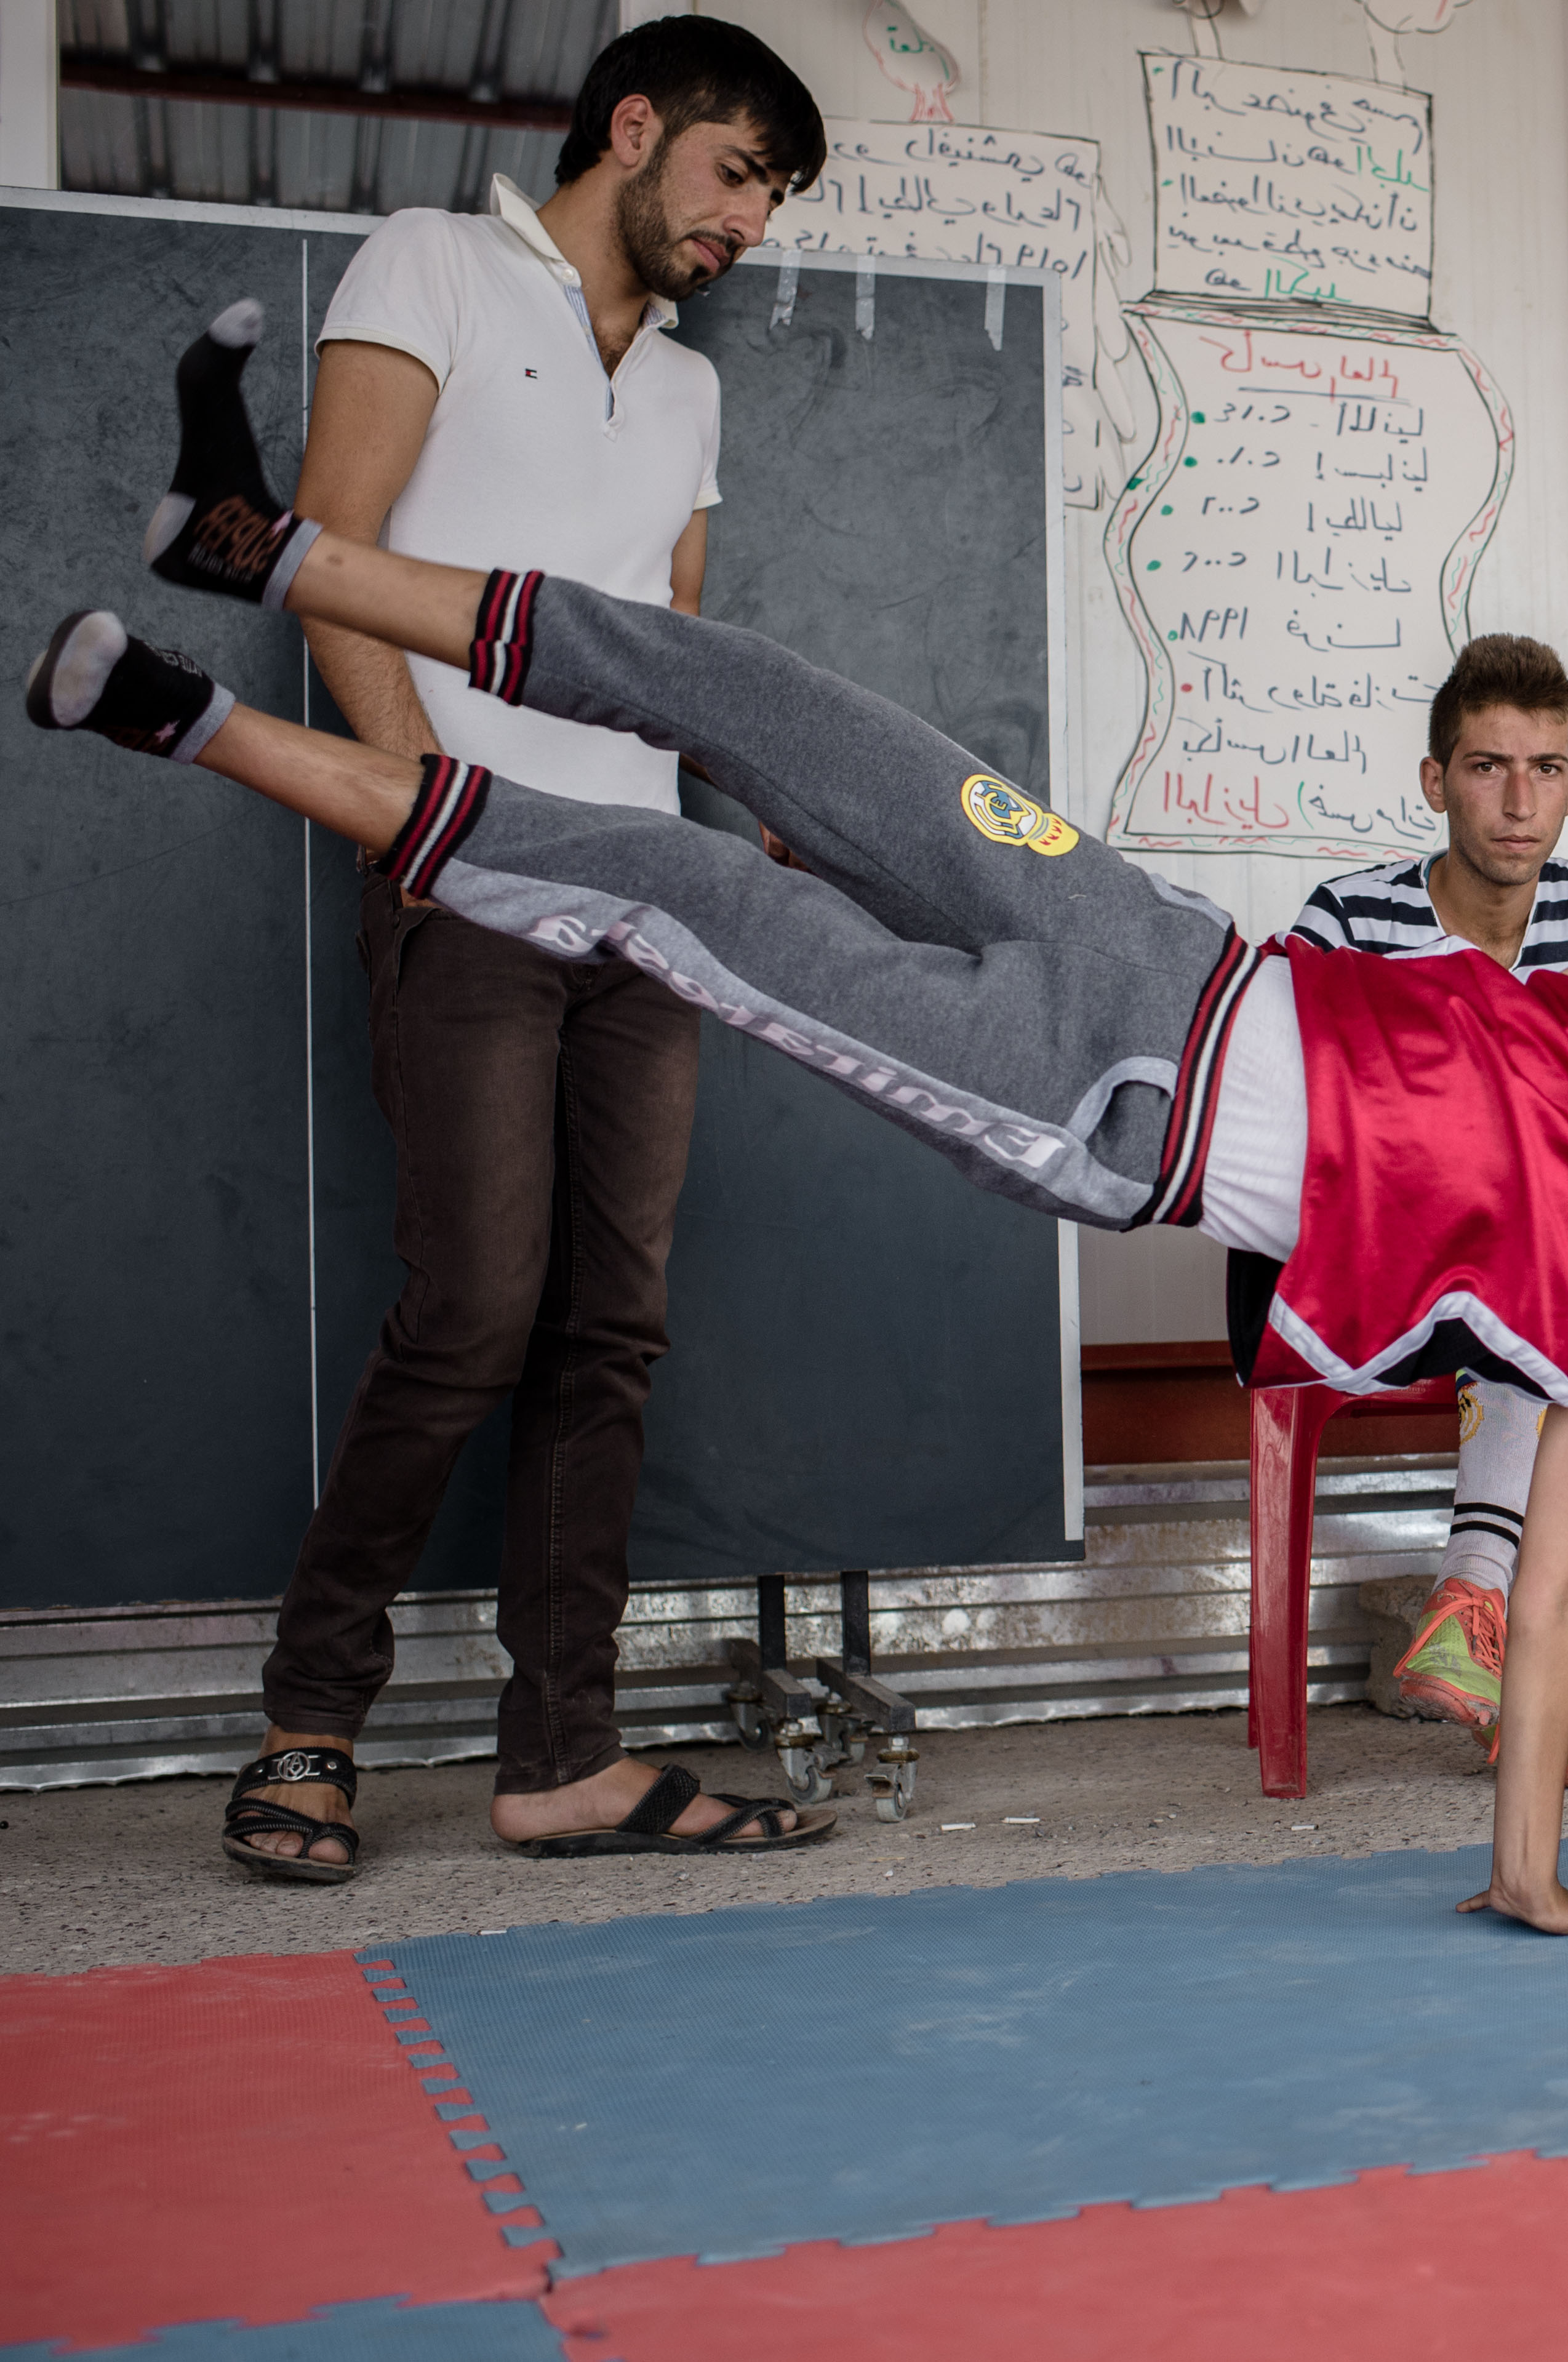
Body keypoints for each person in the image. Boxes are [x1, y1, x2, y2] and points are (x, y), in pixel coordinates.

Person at [32, 310, 1568, 1934]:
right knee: (741, 692)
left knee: (668, 887)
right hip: (1139, 935)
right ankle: (272, 550)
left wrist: (1526, 1865)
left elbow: (1539, 1614)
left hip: (1089, 1096)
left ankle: (187, 720)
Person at [209, 17, 828, 1881]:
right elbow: (324, 551)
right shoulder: (430, 264)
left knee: (607, 1326)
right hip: (465, 866)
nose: (748, 222)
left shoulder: (691, 389)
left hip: (642, 894)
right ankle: (309, 1716)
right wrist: (425, 810)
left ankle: (563, 1755)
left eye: (774, 199)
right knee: (476, 1306)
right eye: (736, 173)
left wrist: (764, 796)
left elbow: (668, 650)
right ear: (633, 127)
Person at [1288, 633, 1568, 1787]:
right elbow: (1297, 1109)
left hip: (1540, 1275)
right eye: (1488, 767)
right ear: (1436, 781)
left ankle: (1474, 1612)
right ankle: (1501, 1643)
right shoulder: (1347, 918)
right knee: (1534, 1223)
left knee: (1549, 1237)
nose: (1518, 801)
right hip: (1370, 1269)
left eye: (1546, 768)